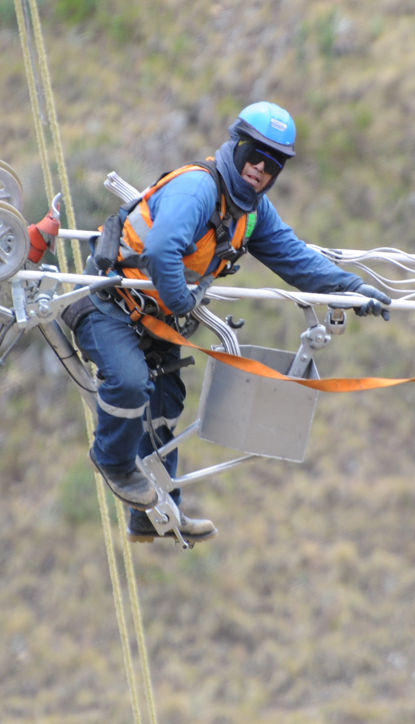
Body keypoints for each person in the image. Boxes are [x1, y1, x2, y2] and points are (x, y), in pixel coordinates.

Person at [64, 101, 392, 544]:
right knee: (129, 383)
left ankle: (157, 511)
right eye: (253, 155)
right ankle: (115, 463)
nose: (259, 168)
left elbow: (296, 260)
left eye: (272, 164)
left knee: (163, 411)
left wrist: (352, 290)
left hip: (157, 319)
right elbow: (161, 252)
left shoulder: (253, 212)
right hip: (110, 304)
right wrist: (182, 303)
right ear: (234, 148)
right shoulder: (198, 188)